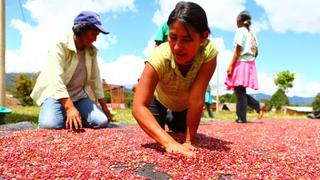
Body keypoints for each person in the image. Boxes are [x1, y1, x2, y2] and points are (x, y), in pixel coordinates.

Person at [132, 1, 218, 156]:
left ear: (203, 38)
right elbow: (138, 107)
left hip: (184, 103)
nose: (177, 47)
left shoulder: (208, 54)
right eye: (173, 37)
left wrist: (189, 142)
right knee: (156, 131)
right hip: (158, 99)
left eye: (187, 39)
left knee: (179, 129)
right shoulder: (159, 56)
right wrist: (169, 143)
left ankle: (172, 117)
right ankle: (165, 116)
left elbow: (197, 98)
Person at [31, 11, 113, 130]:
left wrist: (105, 108)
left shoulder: (91, 51)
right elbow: (56, 79)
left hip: (78, 96)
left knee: (101, 121)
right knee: (50, 125)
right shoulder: (59, 46)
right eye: (93, 34)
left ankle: (72, 114)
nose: (95, 39)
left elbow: (96, 80)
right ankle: (65, 113)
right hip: (55, 95)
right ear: (81, 30)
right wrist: (69, 107)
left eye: (97, 35)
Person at [224, 11, 265, 123]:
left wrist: (231, 66)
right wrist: (249, 60)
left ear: (240, 21)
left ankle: (242, 117)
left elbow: (237, 50)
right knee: (240, 91)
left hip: (241, 62)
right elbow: (256, 52)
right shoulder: (252, 33)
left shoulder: (240, 31)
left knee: (239, 92)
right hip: (250, 63)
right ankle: (256, 107)